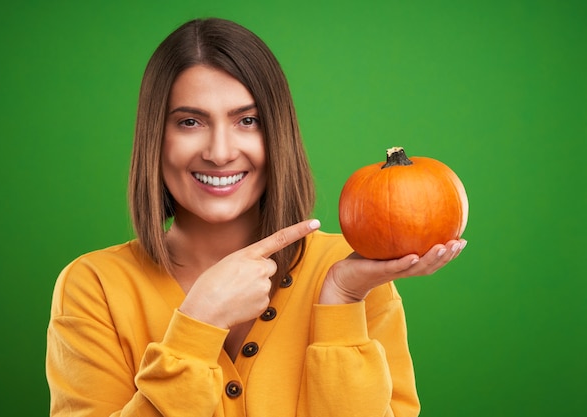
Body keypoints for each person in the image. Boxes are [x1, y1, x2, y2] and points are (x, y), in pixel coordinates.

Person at [45, 17, 466, 417]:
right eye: (190, 122)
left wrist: (341, 302)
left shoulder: (356, 273)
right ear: (155, 137)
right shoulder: (94, 286)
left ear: (277, 134)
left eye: (248, 120)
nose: (221, 151)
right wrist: (198, 325)